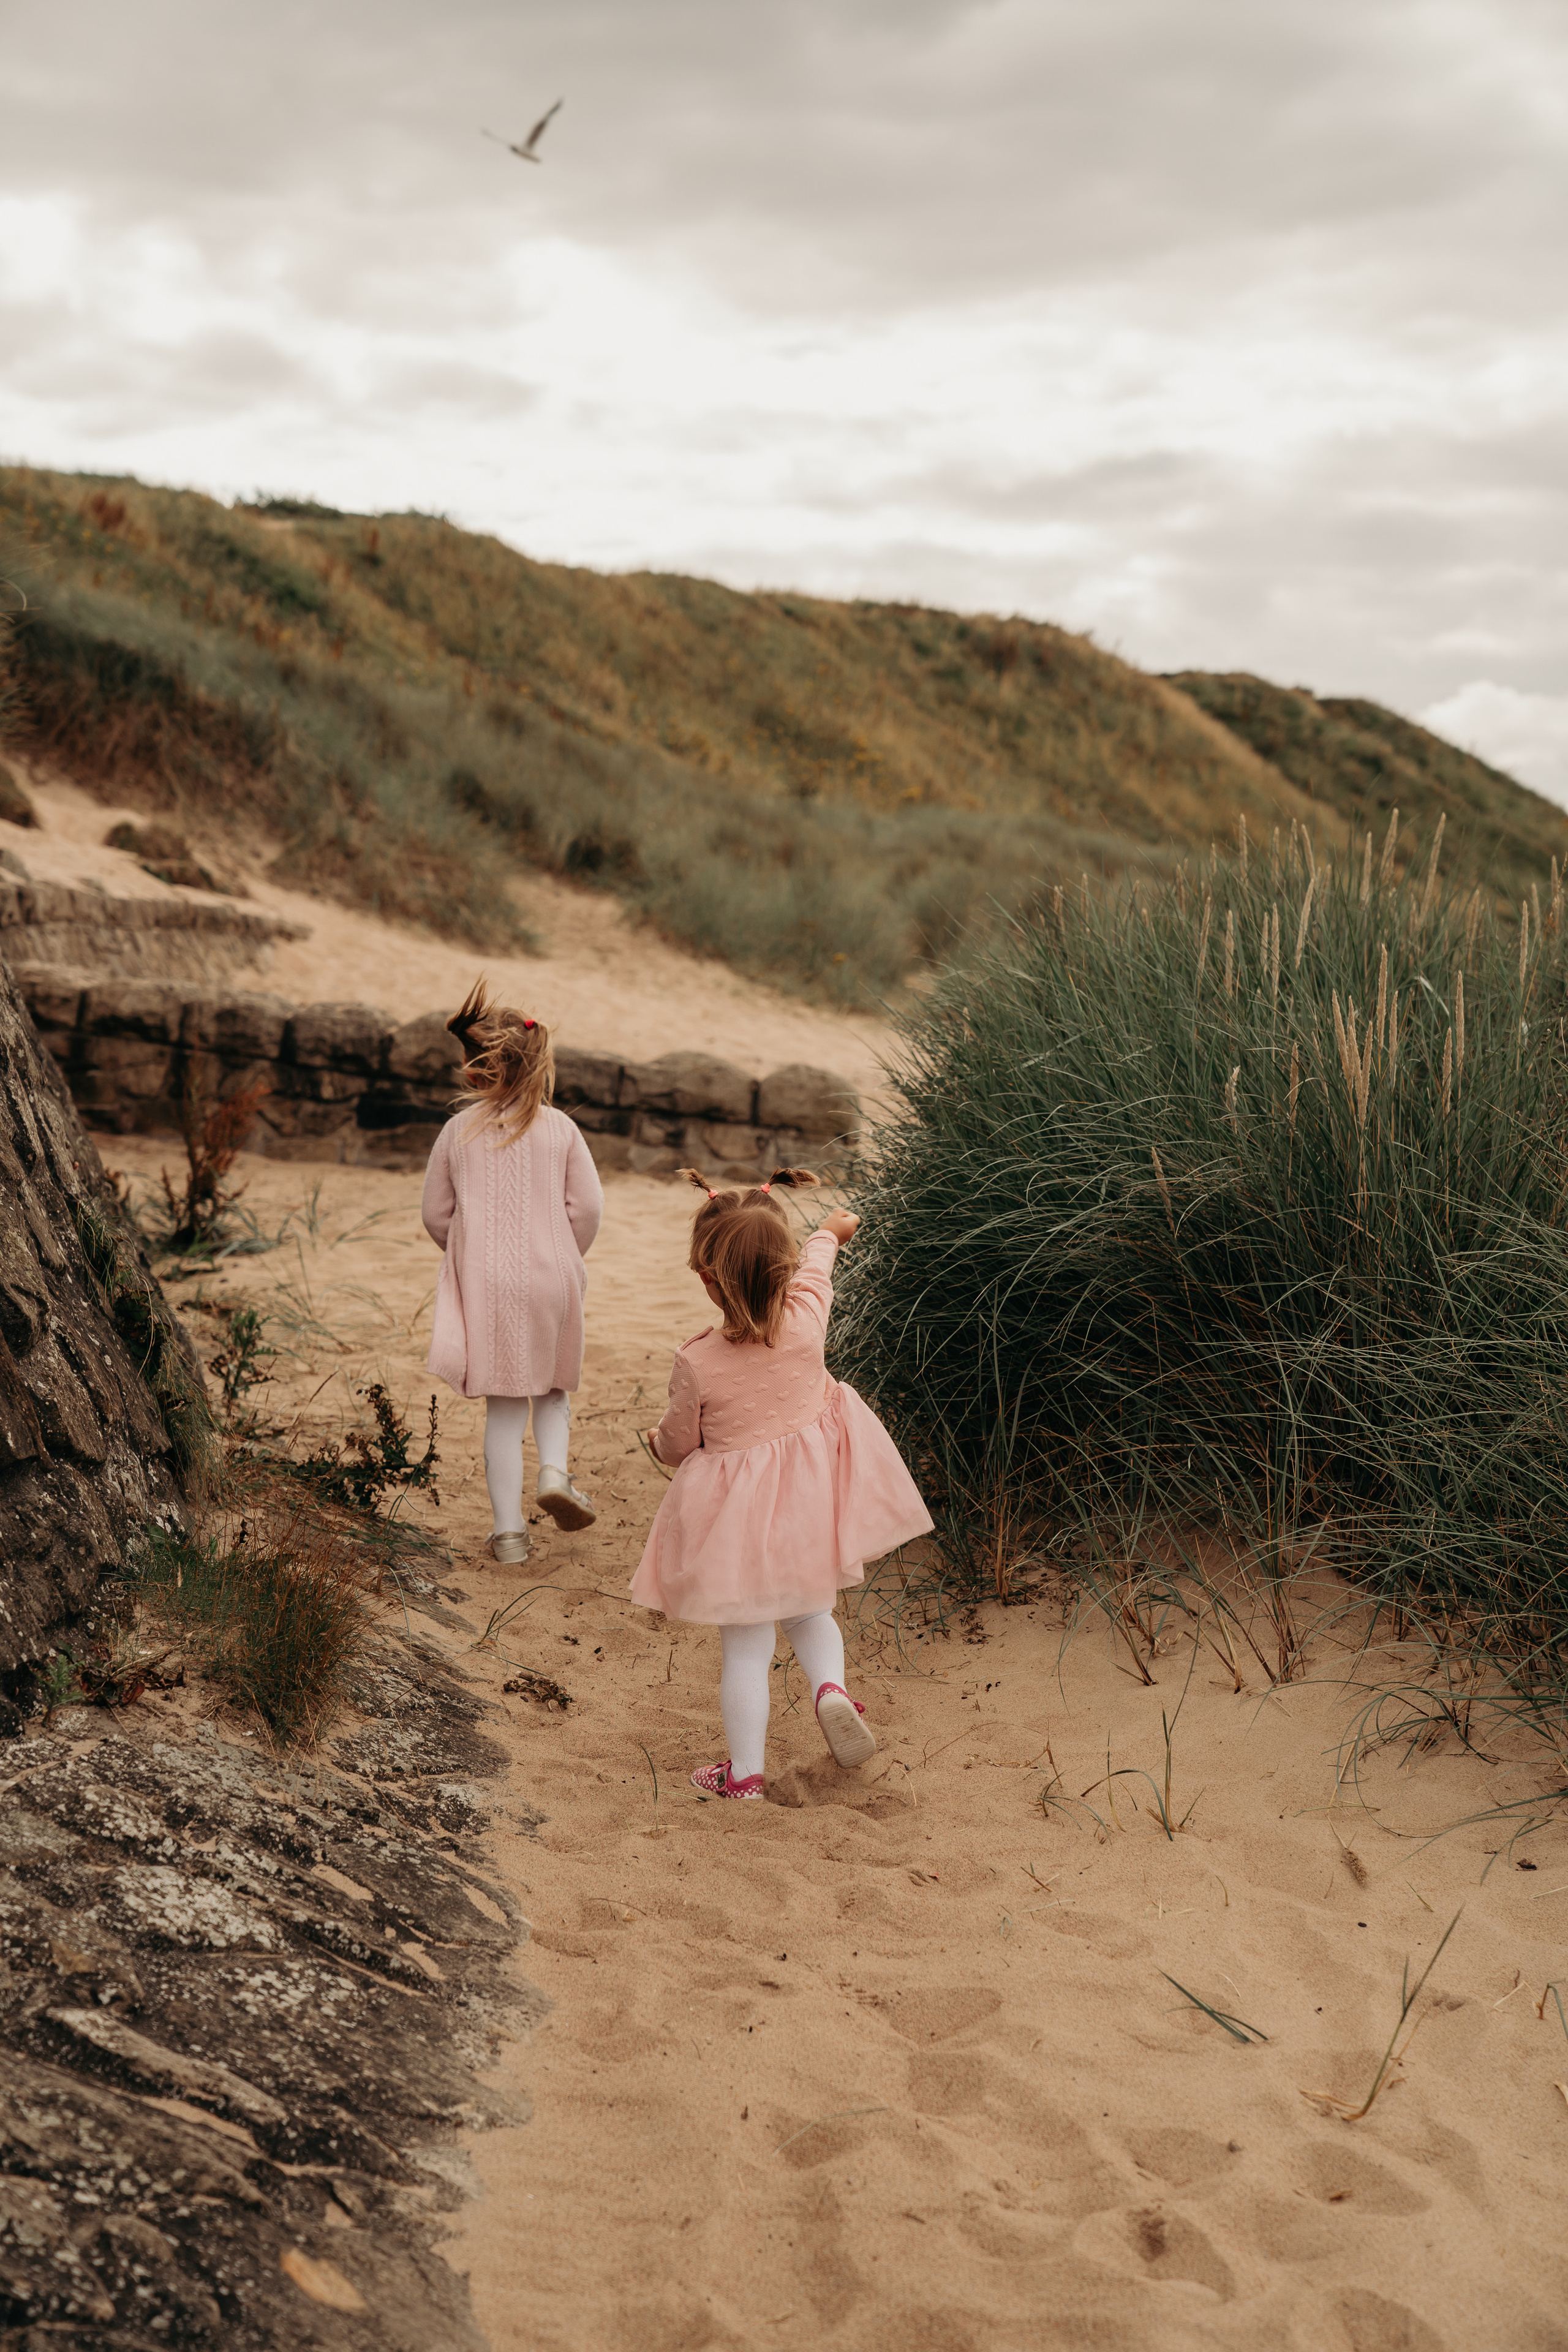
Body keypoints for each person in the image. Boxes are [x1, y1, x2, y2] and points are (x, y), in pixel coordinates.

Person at [631, 1166, 933, 1798]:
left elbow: (678, 1442)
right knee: (811, 1611)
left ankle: (743, 1778)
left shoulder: (697, 1360)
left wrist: (655, 1446)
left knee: (745, 1648)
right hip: (807, 1504)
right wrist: (830, 1231)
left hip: (737, 1526)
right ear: (785, 1269)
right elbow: (820, 1262)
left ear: (707, 1279)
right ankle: (831, 1687)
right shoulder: (805, 1317)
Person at [421, 980, 603, 1565]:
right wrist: (565, 1252)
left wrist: (472, 1253)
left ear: (476, 1071)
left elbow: (435, 1214)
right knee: (551, 1389)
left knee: (503, 1409)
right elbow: (588, 1208)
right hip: (553, 1275)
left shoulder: (457, 1132)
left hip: (487, 1285)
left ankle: (509, 1536)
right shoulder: (562, 1130)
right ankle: (554, 1471)